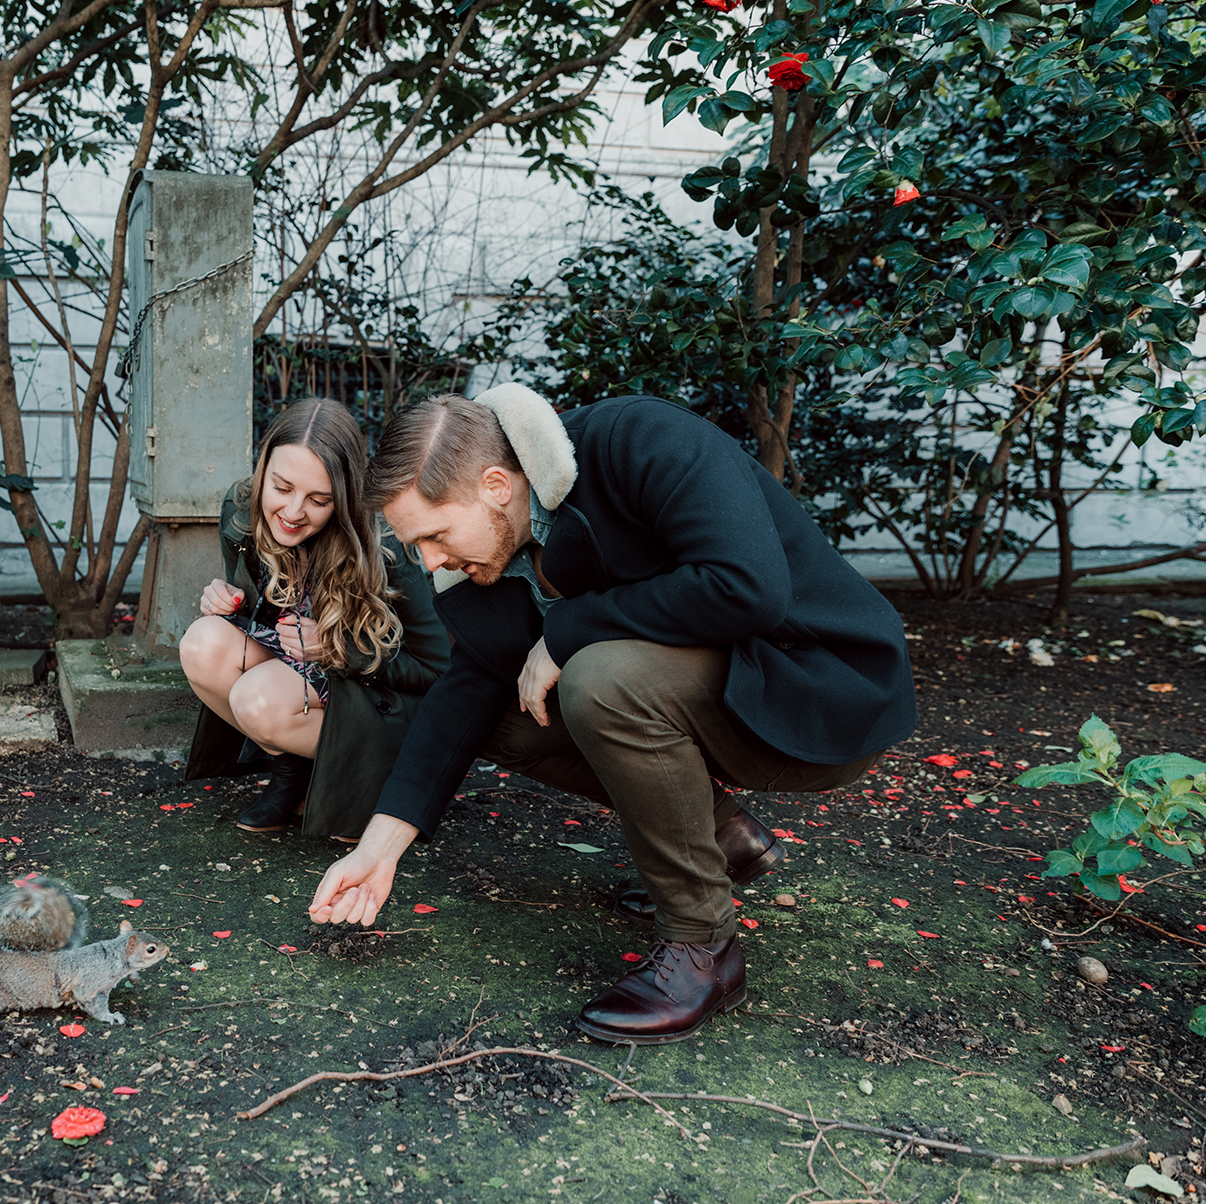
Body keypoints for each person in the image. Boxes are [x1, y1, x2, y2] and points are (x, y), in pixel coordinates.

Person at [306, 384, 917, 1045]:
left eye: (434, 535)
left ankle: (704, 948)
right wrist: (378, 849)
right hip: (713, 691)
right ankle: (718, 838)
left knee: (598, 680)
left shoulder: (636, 440)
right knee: (510, 714)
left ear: (494, 485)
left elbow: (748, 585)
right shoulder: (481, 560)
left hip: (817, 686)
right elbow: (469, 688)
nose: (429, 562)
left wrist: (569, 628)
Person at [181, 399, 450, 839]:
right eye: (281, 487)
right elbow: (265, 618)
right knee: (203, 643)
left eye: (318, 499)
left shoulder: (382, 541)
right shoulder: (241, 508)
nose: (292, 512)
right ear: (263, 467)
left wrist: (340, 650)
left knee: (259, 699)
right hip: (301, 682)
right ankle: (295, 776)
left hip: (373, 699)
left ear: (343, 497)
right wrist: (228, 602)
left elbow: (438, 668)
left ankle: (367, 785)